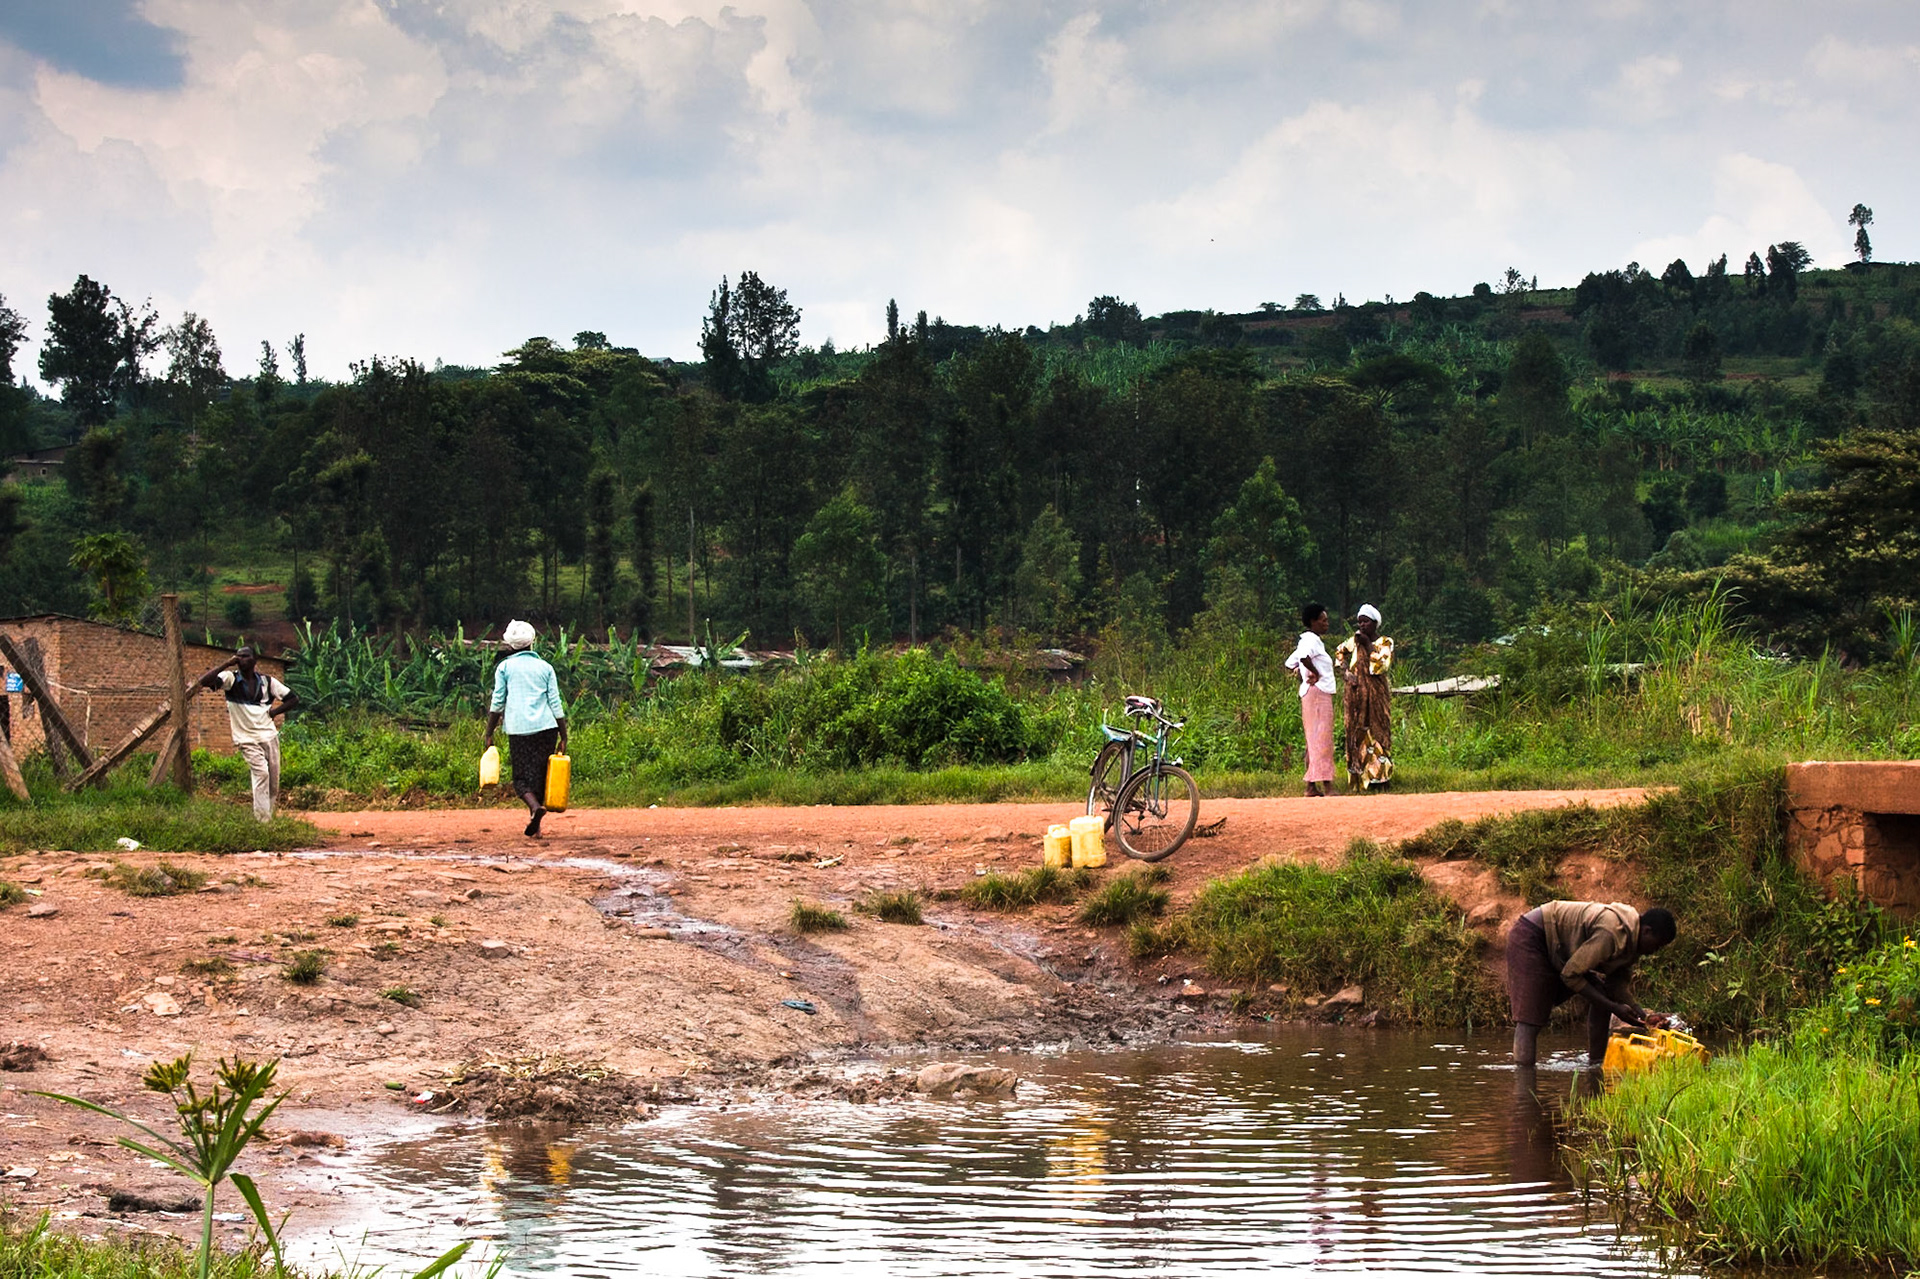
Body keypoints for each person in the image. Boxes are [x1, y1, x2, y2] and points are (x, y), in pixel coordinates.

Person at [1508, 900, 1677, 1067]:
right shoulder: (1611, 933)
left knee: (1602, 994)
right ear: (1647, 931)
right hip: (1534, 935)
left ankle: (1596, 1065)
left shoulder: (1632, 943)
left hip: (1559, 949)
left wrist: (1644, 1017)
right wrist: (1614, 1007)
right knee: (1529, 1019)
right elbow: (1570, 975)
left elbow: (1615, 987)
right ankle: (1524, 1078)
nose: (1654, 952)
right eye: (1657, 946)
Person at [483, 619, 568, 837]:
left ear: (510, 645)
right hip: (547, 728)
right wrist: (563, 734)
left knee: (520, 779)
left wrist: (489, 732)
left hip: (519, 729)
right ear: (532, 642)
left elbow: (497, 703)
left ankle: (535, 809)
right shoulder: (546, 668)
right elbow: (555, 702)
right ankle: (536, 823)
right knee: (540, 776)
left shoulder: (504, 668)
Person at [199, 646, 296, 822]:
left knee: (273, 782)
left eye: (245, 656)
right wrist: (226, 664)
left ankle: (268, 817)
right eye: (239, 656)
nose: (241, 659)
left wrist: (274, 712)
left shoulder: (267, 682)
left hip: (269, 736)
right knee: (262, 773)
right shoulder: (230, 679)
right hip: (246, 739)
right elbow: (204, 681)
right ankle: (262, 821)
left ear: (254, 660)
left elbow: (293, 699)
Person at [1333, 604, 1394, 791]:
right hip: (1356, 696)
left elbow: (1381, 666)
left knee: (1378, 730)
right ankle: (1360, 779)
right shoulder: (1354, 641)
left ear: (1375, 623)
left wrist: (1368, 645)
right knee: (1357, 731)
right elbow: (1339, 652)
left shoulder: (1385, 642)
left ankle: (1380, 779)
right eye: (1359, 622)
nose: (1362, 625)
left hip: (1376, 696)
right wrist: (1346, 672)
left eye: (1366, 622)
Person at [1285, 602, 1336, 797]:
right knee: (1322, 739)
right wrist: (1314, 672)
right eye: (1323, 620)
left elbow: (1291, 662)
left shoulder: (1312, 641)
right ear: (1313, 622)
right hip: (1317, 693)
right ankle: (1327, 785)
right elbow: (1304, 657)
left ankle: (1311, 786)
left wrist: (1301, 671)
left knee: (1314, 739)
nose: (1326, 623)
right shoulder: (1310, 641)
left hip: (1314, 693)